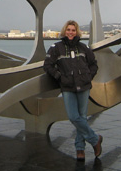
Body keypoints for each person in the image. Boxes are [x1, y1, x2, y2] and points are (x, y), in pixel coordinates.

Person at [44, 20, 102, 161]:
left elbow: (93, 64)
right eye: (69, 30)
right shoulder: (56, 48)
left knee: (82, 117)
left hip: (84, 86)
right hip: (68, 87)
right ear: (64, 31)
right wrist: (60, 77)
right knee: (73, 117)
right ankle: (95, 140)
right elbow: (48, 65)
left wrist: (88, 77)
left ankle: (80, 149)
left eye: (73, 30)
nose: (71, 32)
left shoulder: (83, 48)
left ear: (77, 32)